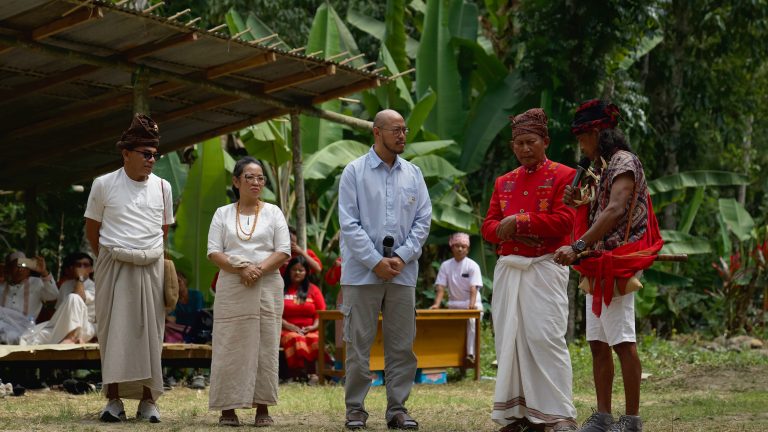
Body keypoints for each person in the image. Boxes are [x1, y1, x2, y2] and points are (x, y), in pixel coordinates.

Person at [554, 100, 663, 432]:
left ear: (596, 133)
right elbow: (599, 205)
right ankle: (602, 416)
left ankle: (631, 420)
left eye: (582, 138)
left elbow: (615, 210)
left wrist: (578, 245)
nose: (580, 146)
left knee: (622, 341)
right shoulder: (602, 167)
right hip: (597, 263)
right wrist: (581, 201)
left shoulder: (623, 162)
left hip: (617, 262)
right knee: (598, 342)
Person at [481, 108, 578, 432]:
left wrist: (520, 221)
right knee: (511, 340)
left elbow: (566, 221)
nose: (524, 148)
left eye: (531, 141)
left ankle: (559, 415)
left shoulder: (564, 175)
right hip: (510, 269)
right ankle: (518, 414)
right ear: (512, 147)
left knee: (545, 338)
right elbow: (488, 226)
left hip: (544, 267)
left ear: (545, 141)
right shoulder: (503, 182)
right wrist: (504, 228)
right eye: (519, 143)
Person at [338, 109, 431, 431]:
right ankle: (355, 410)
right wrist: (375, 261)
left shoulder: (414, 174)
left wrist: (401, 258)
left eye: (405, 130)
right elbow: (348, 224)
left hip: (402, 274)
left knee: (402, 345)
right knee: (358, 345)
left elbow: (423, 222)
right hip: (361, 274)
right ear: (377, 132)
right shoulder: (354, 172)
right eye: (395, 130)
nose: (402, 135)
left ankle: (397, 409)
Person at [84, 113, 173, 423]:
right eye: (145, 154)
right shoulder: (103, 183)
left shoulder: (163, 187)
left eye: (154, 155)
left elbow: (164, 231)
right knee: (113, 333)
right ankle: (113, 400)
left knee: (151, 333)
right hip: (113, 265)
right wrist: (111, 258)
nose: (151, 160)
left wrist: (146, 256)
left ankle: (149, 403)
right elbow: (92, 229)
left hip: (151, 265)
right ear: (126, 153)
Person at [206, 156, 291, 427]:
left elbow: (283, 251)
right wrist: (241, 269)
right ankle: (227, 409)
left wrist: (258, 270)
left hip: (267, 284)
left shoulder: (274, 212)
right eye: (249, 177)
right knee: (229, 345)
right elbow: (213, 252)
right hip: (232, 285)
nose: (256, 182)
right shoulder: (222, 213)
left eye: (260, 178)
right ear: (236, 181)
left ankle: (262, 408)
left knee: (266, 345)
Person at [429, 232, 483, 362]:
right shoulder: (445, 265)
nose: (460, 249)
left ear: (467, 249)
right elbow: (441, 287)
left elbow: (473, 288)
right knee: (450, 329)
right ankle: (449, 357)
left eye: (463, 246)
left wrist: (471, 304)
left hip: (472, 304)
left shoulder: (472, 265)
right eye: (457, 246)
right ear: (452, 247)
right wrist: (437, 304)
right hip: (454, 304)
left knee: (471, 323)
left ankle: (471, 355)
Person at [21, 252, 96, 345]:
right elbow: (58, 312)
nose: (82, 268)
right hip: (62, 324)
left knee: (74, 297)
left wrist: (80, 278)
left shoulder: (95, 287)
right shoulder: (65, 285)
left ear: (91, 269)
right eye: (78, 265)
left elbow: (79, 297)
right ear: (73, 268)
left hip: (84, 326)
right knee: (32, 337)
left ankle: (71, 337)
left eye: (85, 265)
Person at [280, 255, 327, 384]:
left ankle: (313, 374)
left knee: (314, 339)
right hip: (285, 329)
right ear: (289, 271)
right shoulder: (280, 289)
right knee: (295, 338)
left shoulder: (314, 290)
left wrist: (314, 327)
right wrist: (288, 325)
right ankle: (297, 373)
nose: (297, 273)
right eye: (294, 269)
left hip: (310, 329)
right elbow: (274, 313)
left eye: (301, 270)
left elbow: (321, 313)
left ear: (306, 272)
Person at [0, 251, 58, 343]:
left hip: (25, 330)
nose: (20, 269)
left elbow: (53, 295)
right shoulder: (1, 286)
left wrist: (44, 272)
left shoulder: (37, 283)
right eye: (16, 265)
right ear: (8, 269)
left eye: (24, 264)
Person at [164, 270, 204, 343]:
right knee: (165, 326)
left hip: (195, 329)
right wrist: (166, 311)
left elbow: (199, 315)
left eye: (179, 281)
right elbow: (172, 319)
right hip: (180, 330)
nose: (177, 285)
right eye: (173, 283)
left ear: (185, 281)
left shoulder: (196, 295)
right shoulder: (173, 299)